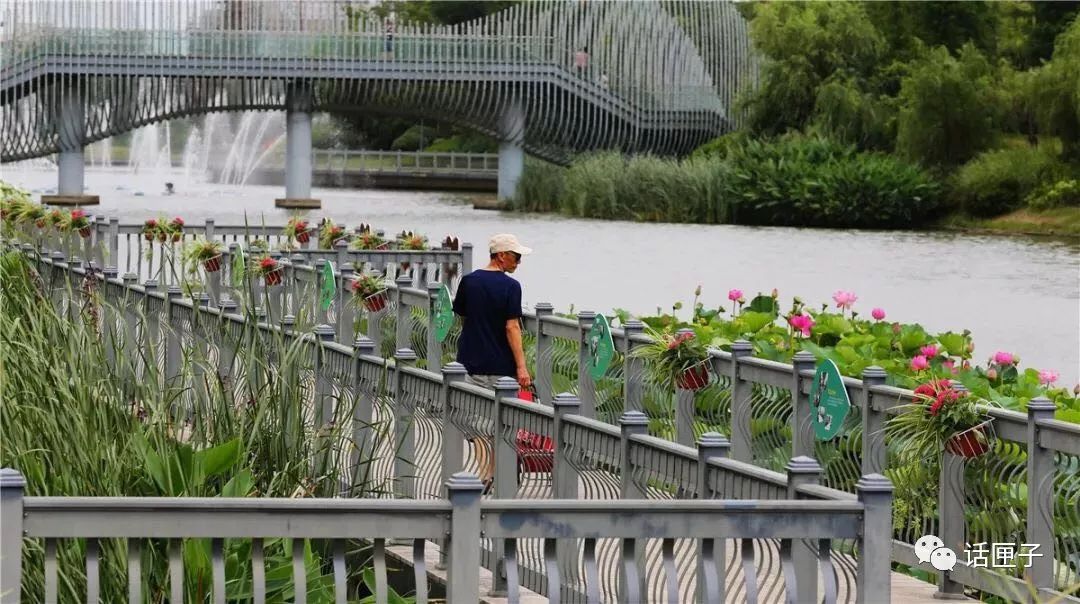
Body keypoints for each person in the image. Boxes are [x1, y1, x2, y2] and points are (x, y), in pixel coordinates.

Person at [452, 233, 533, 490]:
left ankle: (486, 474)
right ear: (501, 256)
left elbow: (463, 317)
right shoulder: (511, 287)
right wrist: (522, 366)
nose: (518, 263)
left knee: (475, 423)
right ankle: (499, 473)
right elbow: (512, 327)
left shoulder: (468, 282)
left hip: (469, 360)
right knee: (501, 422)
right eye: (516, 257)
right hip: (502, 365)